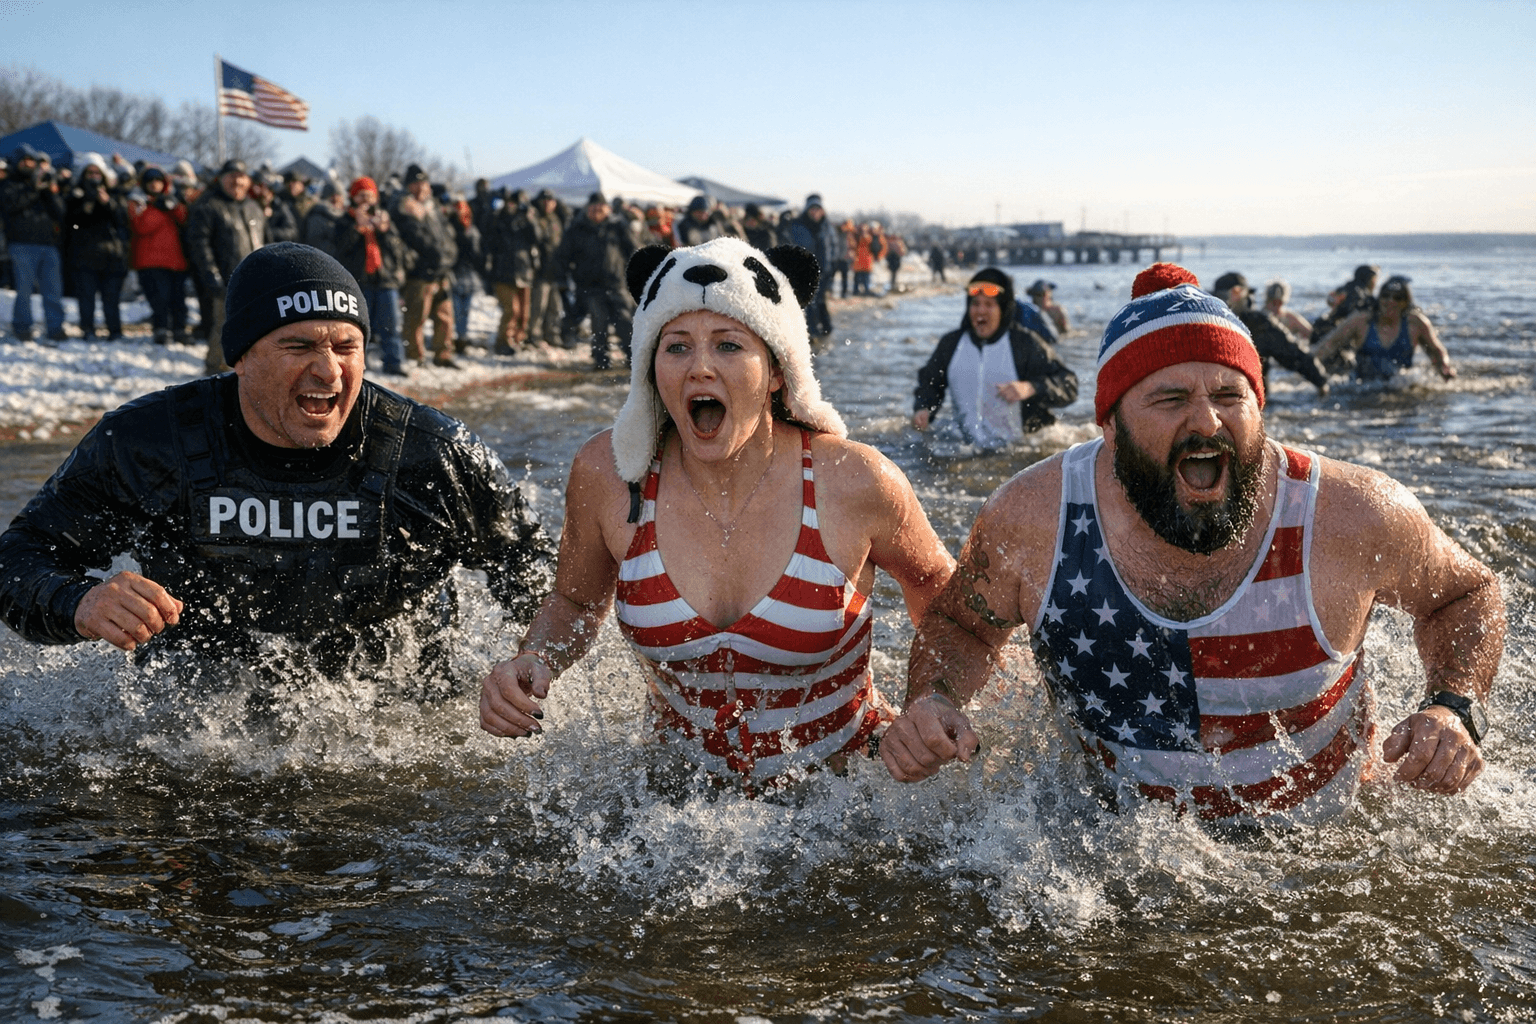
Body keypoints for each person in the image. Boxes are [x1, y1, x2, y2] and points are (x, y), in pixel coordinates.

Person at [880, 263, 1503, 824]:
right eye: (1171, 398)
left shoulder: (1349, 513)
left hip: (1322, 843)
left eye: (1230, 395)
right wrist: (934, 700)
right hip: (1109, 854)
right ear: (1110, 425)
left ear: (1260, 409)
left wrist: (1452, 707)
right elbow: (962, 627)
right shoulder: (1034, 517)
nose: (1206, 422)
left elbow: (1466, 593)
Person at [480, 238, 954, 788]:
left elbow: (948, 606)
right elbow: (576, 600)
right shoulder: (611, 474)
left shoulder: (853, 481)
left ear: (778, 371)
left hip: (848, 795)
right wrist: (534, 658)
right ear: (649, 367)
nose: (700, 368)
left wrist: (932, 702)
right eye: (676, 347)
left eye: (729, 346)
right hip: (677, 804)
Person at [0, 242, 552, 687]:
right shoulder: (148, 441)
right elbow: (18, 559)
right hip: (198, 724)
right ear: (241, 356)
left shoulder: (432, 451)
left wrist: (529, 663)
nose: (329, 372)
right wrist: (80, 601)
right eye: (299, 347)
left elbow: (543, 576)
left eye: (346, 347)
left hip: (394, 716)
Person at [911, 268, 1078, 446]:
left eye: (989, 305)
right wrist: (924, 409)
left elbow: (1069, 384)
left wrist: (1031, 387)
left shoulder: (1025, 344)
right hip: (966, 449)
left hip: (1020, 449)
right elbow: (930, 383)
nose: (980, 311)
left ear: (1003, 309)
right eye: (975, 304)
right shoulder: (950, 344)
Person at [185, 159, 269, 373]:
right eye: (231, 176)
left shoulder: (253, 207)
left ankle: (250, 368)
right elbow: (199, 244)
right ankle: (216, 370)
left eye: (241, 177)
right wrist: (211, 275)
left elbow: (266, 242)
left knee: (257, 327)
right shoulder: (208, 205)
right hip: (226, 279)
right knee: (224, 327)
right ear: (221, 179)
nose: (237, 181)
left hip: (257, 280)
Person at [334, 176, 410, 377]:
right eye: (361, 196)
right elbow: (339, 251)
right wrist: (357, 229)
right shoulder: (344, 220)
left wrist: (385, 231)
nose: (366, 200)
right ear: (353, 198)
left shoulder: (384, 219)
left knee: (391, 325)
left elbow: (398, 251)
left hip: (385, 280)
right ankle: (358, 367)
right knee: (359, 329)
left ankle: (394, 362)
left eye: (370, 196)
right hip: (358, 282)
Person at [550, 192, 636, 370]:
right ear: (587, 209)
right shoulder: (576, 229)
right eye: (593, 208)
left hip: (617, 283)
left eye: (600, 208)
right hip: (590, 286)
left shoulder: (618, 227)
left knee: (625, 322)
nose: (597, 211)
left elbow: (633, 250)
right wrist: (561, 277)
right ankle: (601, 360)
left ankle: (633, 359)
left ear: (607, 209)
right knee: (599, 324)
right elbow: (562, 256)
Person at [1315, 276, 1456, 381]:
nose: (1390, 301)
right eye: (1385, 296)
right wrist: (1309, 369)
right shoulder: (1361, 321)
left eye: (1397, 298)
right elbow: (1328, 345)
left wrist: (1444, 367)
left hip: (1400, 385)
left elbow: (1436, 350)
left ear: (1405, 302)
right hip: (1362, 386)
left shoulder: (1416, 323)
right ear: (1379, 299)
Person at [1209, 271, 1328, 394]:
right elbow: (1294, 354)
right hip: (1249, 401)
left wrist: (1320, 380)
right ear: (1239, 293)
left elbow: (1294, 354)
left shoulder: (1204, 322)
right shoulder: (1259, 324)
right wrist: (1321, 383)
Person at [394, 164, 459, 369]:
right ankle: (416, 356)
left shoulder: (433, 207)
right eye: (416, 184)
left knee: (445, 316)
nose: (421, 188)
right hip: (420, 272)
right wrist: (439, 255)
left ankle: (443, 354)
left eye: (424, 183)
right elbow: (416, 238)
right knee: (416, 317)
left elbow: (446, 233)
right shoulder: (404, 205)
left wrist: (449, 254)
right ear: (408, 186)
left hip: (441, 270)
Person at [1, 144, 66, 342]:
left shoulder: (43, 184)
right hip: (21, 244)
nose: (29, 164)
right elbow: (11, 205)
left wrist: (49, 192)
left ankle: (55, 328)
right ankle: (22, 327)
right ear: (17, 163)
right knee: (23, 290)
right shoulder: (8, 184)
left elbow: (60, 213)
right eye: (25, 161)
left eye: (32, 160)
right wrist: (33, 189)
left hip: (48, 245)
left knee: (53, 291)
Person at [63, 156, 129, 341]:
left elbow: (122, 221)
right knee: (86, 298)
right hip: (84, 256)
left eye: (97, 172)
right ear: (84, 174)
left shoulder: (114, 193)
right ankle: (88, 330)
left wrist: (108, 203)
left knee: (111, 299)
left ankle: (115, 331)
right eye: (90, 172)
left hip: (112, 256)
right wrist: (86, 207)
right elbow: (71, 225)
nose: (93, 176)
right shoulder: (75, 195)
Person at [128, 166, 190, 344]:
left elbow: (184, 218)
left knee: (178, 298)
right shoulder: (137, 201)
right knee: (159, 298)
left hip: (175, 260)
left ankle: (180, 329)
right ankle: (161, 329)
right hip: (150, 260)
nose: (155, 185)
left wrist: (172, 204)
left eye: (158, 181)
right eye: (151, 182)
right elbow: (141, 226)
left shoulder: (173, 199)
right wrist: (160, 209)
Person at [485, 188, 542, 354]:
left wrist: (529, 217)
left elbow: (537, 238)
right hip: (503, 272)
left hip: (523, 270)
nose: (512, 206)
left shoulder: (525, 220)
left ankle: (518, 339)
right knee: (511, 310)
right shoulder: (498, 218)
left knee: (524, 312)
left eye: (515, 203)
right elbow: (491, 236)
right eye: (509, 202)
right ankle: (503, 341)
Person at [785, 195, 834, 337]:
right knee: (809, 303)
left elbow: (832, 247)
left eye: (818, 209)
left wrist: (832, 267)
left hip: (824, 271)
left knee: (820, 301)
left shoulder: (827, 227)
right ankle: (812, 334)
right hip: (805, 271)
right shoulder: (797, 225)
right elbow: (789, 244)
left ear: (823, 211)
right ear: (807, 210)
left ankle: (826, 331)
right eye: (812, 209)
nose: (815, 212)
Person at [526, 190, 566, 348]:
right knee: (538, 306)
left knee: (555, 306)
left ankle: (552, 333)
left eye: (551, 201)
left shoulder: (556, 219)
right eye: (545, 201)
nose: (548, 204)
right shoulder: (535, 218)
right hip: (540, 270)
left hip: (555, 270)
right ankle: (534, 334)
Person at [1310, 263, 1379, 346]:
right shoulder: (1365, 295)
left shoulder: (1346, 287)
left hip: (1326, 325)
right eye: (1375, 279)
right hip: (1343, 331)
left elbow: (1330, 300)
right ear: (1371, 279)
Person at [301, 183, 345, 257]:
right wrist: (340, 253)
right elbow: (315, 243)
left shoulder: (336, 215)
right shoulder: (318, 215)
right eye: (340, 195)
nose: (343, 200)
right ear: (334, 197)